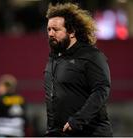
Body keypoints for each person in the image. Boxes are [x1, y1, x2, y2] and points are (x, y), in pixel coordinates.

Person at [44, 2, 112, 137]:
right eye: (48, 29)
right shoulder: (53, 59)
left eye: (56, 29)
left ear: (72, 32)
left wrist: (78, 121)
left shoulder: (91, 55)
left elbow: (101, 89)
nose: (51, 33)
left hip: (91, 133)